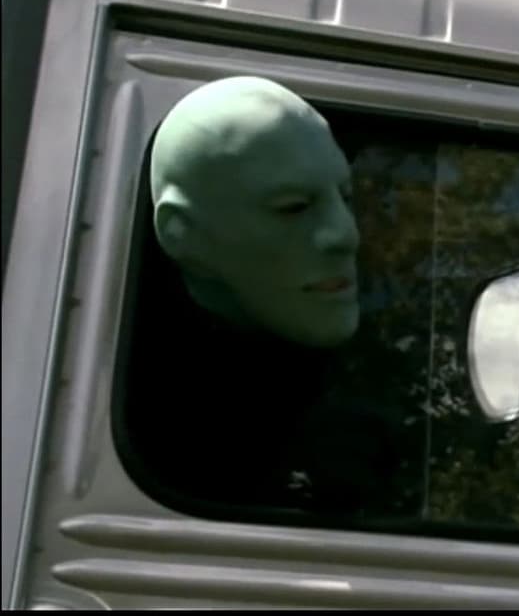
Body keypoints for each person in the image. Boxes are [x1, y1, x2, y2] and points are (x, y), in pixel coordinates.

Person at [123, 77, 400, 516]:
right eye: (293, 207)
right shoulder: (153, 433)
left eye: (345, 197)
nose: (346, 234)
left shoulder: (360, 402)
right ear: (182, 235)